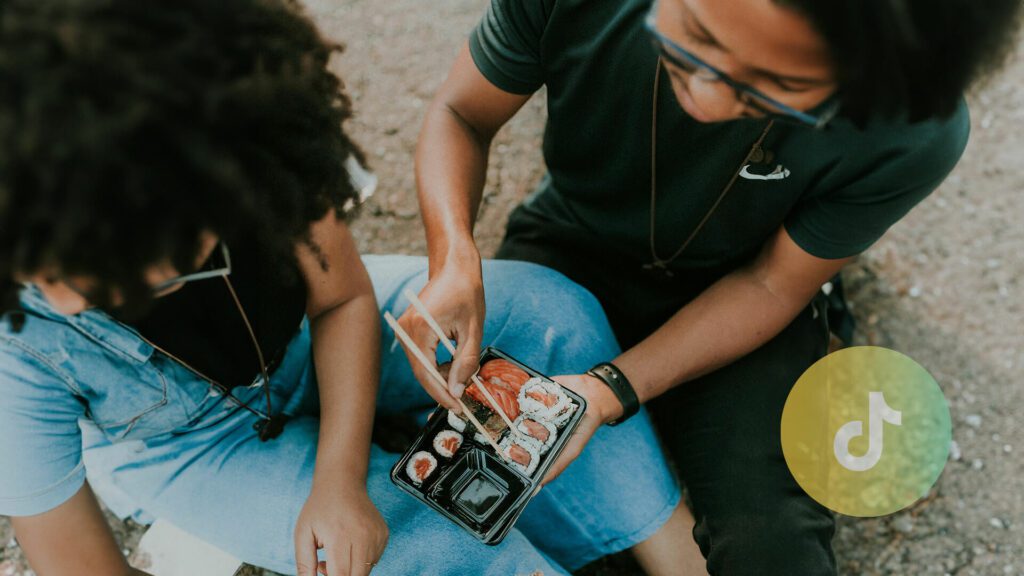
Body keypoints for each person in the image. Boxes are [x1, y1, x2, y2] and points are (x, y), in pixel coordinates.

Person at [0, 1, 687, 575]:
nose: (63, 300)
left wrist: (338, 476)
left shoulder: (251, 132)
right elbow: (78, 564)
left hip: (309, 333)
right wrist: (339, 496)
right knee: (427, 549)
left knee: (550, 312)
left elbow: (342, 298)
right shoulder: (17, 339)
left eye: (91, 267)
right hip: (191, 443)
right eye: (41, 271)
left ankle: (674, 551)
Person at [402, 0, 1022, 574]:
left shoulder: (913, 118)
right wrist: (454, 256)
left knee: (772, 545)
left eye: (773, 87)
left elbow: (772, 284)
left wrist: (611, 389)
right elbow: (461, 113)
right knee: (474, 478)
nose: (707, 97)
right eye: (697, 37)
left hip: (743, 291)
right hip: (569, 242)